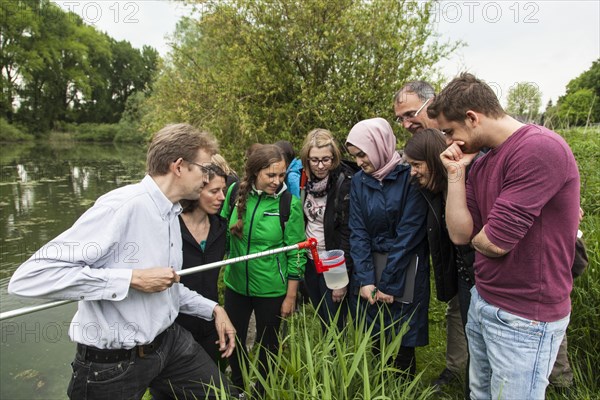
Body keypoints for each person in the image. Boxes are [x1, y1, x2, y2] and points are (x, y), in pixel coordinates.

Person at [8, 123, 237, 399]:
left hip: (169, 343)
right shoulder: (121, 207)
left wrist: (213, 308)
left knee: (225, 395)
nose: (206, 178)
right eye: (203, 168)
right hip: (111, 364)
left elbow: (166, 285)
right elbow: (30, 277)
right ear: (179, 167)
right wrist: (130, 279)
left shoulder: (170, 213)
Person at [430, 73, 580, 399]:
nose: (447, 141)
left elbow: (494, 243)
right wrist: (455, 175)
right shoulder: (483, 163)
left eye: (449, 131)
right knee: (481, 393)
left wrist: (479, 237)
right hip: (486, 300)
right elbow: (459, 234)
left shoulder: (538, 149)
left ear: (472, 117)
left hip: (524, 315)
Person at [394, 80, 469, 390]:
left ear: (432, 103)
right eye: (399, 118)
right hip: (446, 240)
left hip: (477, 241)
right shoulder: (418, 151)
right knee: (456, 305)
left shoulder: (463, 138)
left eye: (411, 113)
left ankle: (558, 378)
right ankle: (456, 369)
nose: (405, 122)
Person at [345, 117, 429, 378]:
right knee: (375, 336)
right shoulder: (359, 181)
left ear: (378, 145)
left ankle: (404, 387)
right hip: (371, 264)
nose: (359, 162)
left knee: (404, 337)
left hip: (406, 266)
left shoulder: (409, 175)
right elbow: (357, 232)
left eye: (362, 154)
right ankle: (379, 387)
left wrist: (390, 284)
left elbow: (409, 234)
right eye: (355, 156)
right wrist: (366, 280)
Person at [221, 144, 306, 395]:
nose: (277, 181)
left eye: (281, 175)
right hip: (236, 283)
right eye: (271, 175)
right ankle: (238, 386)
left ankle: (262, 391)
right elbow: (222, 231)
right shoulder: (235, 192)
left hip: (272, 288)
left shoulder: (288, 203)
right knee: (233, 337)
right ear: (255, 172)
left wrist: (291, 296)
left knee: (269, 344)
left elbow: (296, 252)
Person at [403, 129, 476, 395]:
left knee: (479, 337)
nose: (412, 172)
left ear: (433, 162)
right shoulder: (431, 189)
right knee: (469, 329)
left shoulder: (467, 184)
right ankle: (464, 380)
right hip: (460, 269)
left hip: (478, 271)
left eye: (416, 165)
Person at [298, 128, 355, 331]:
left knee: (335, 323)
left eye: (326, 160)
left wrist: (342, 277)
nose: (320, 166)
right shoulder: (303, 180)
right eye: (314, 160)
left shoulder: (344, 182)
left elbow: (348, 233)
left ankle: (337, 361)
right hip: (310, 259)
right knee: (321, 316)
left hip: (333, 261)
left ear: (335, 157)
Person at [176, 161, 229, 365]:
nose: (222, 198)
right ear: (196, 190)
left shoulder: (221, 228)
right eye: (214, 191)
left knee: (213, 385)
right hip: (176, 326)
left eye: (223, 191)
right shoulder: (171, 226)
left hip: (210, 322)